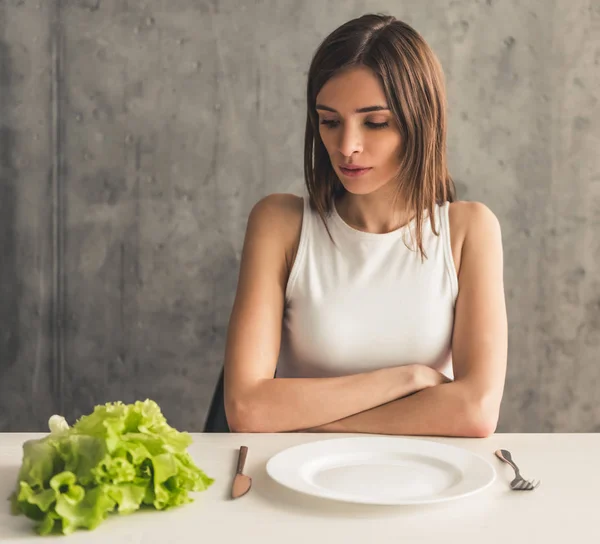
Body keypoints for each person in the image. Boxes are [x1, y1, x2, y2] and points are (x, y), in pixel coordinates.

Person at [222, 13, 507, 437]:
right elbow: (246, 409)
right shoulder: (280, 225)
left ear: (420, 122)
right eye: (330, 121)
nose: (346, 147)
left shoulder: (469, 230)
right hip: (295, 478)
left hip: (429, 481)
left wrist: (308, 418)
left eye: (375, 122)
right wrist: (408, 379)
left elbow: (475, 412)